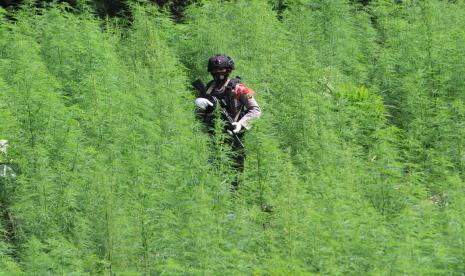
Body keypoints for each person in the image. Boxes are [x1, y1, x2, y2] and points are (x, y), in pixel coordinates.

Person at [194, 54, 261, 190]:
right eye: (215, 70)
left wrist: (241, 124)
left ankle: (233, 206)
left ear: (229, 70)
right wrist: (201, 108)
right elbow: (198, 117)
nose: (218, 73)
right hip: (211, 138)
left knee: (235, 178)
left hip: (233, 137)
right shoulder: (207, 89)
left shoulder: (239, 88)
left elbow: (255, 110)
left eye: (222, 70)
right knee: (212, 175)